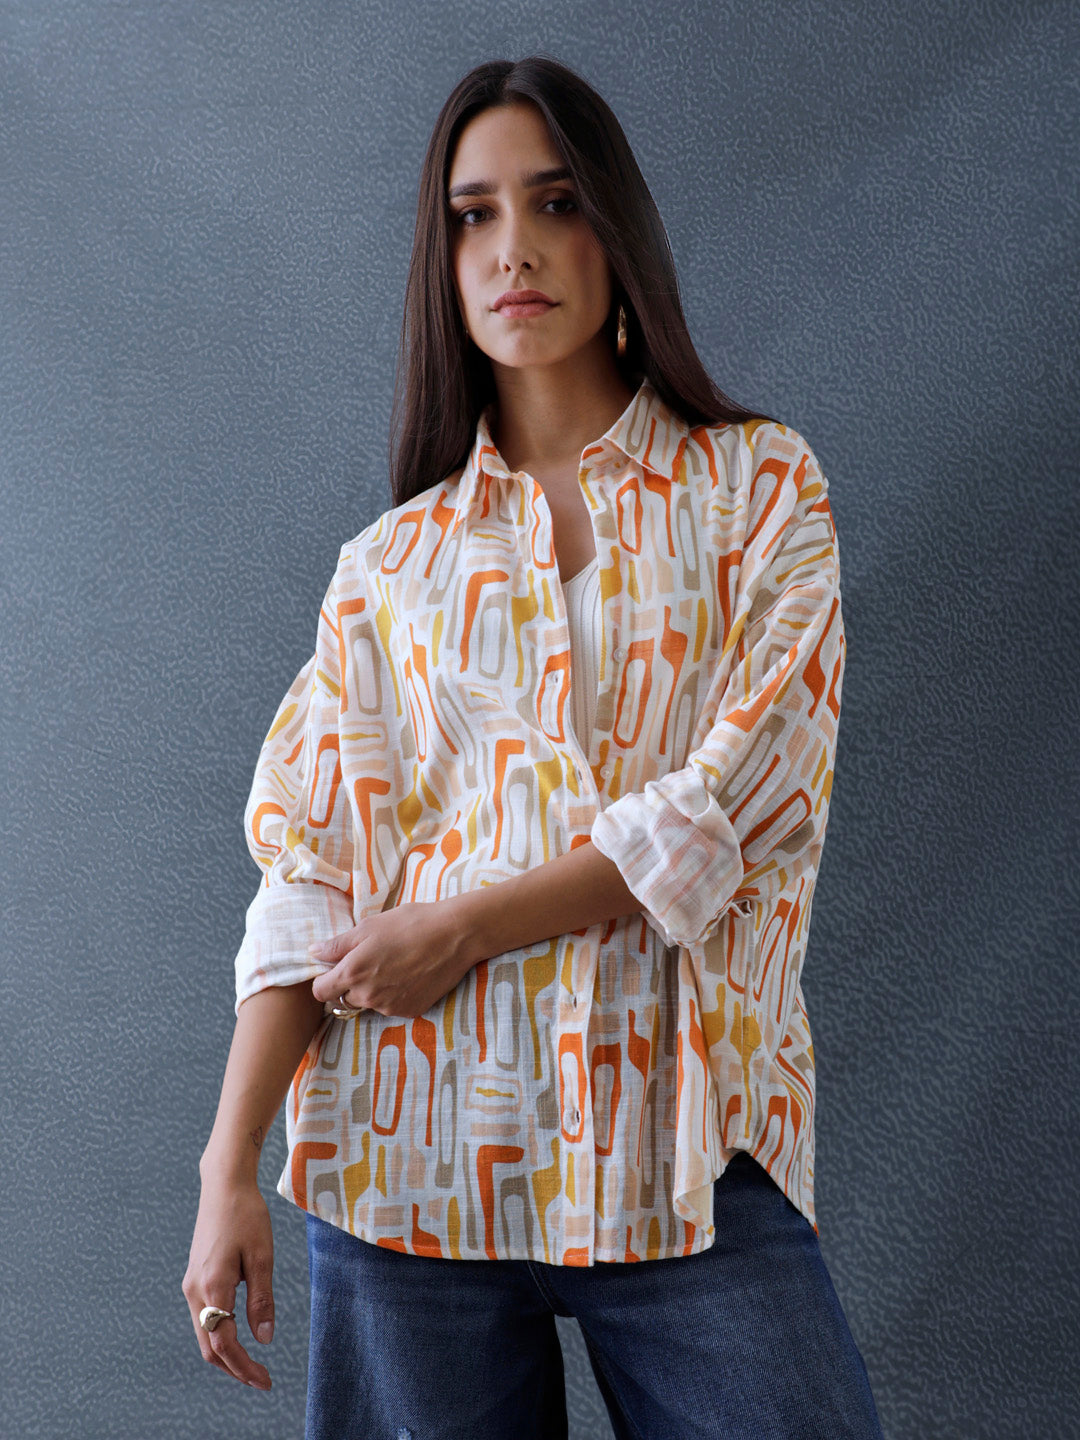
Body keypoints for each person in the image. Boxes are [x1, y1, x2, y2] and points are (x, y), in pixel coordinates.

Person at [183, 53, 886, 1440]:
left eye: (556, 203)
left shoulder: (756, 489)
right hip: (407, 1161)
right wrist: (227, 1167)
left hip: (681, 1156)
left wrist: (462, 927)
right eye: (474, 215)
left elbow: (740, 802)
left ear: (615, 233)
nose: (514, 248)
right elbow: (309, 877)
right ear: (443, 261)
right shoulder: (389, 568)